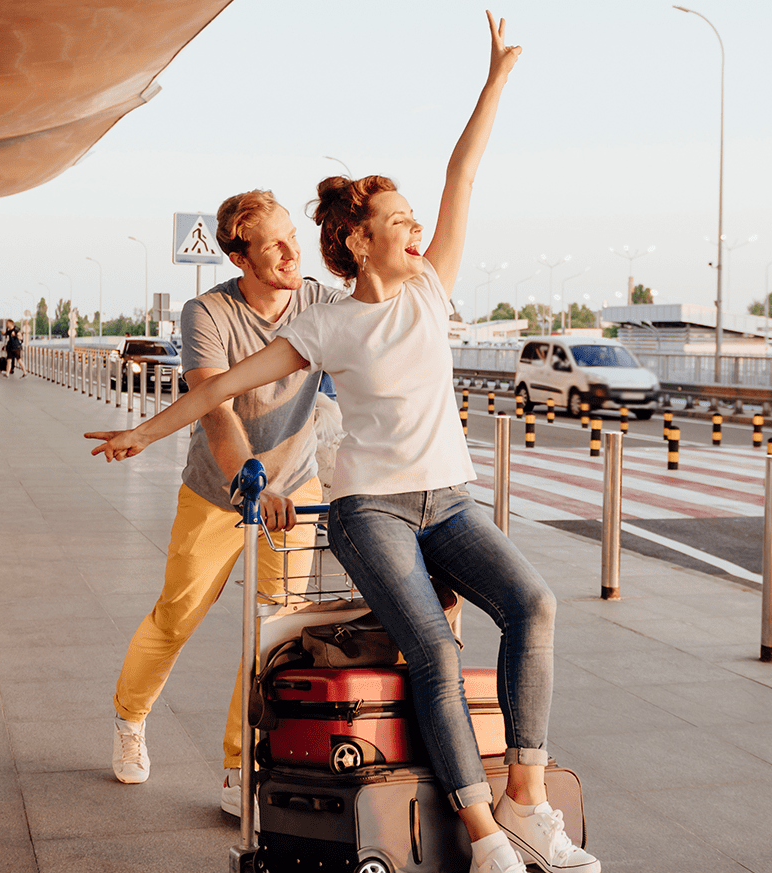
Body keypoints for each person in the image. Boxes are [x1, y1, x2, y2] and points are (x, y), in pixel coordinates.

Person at [88, 15, 596, 873]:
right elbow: (219, 390)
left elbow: (461, 169)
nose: (416, 227)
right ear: (361, 241)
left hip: (450, 501)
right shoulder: (326, 322)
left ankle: (528, 801)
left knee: (535, 606)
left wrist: (497, 79)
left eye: (412, 217)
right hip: (369, 511)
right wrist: (142, 430)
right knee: (430, 647)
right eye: (399, 220)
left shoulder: (431, 287)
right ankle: (483, 842)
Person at [87, 190, 345, 821]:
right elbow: (217, 408)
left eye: (293, 236)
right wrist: (252, 484)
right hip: (220, 492)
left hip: (297, 492)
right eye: (274, 244)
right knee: (177, 616)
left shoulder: (319, 301)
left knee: (271, 631)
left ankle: (240, 764)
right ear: (239, 255)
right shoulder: (208, 313)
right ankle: (130, 718)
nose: (292, 253)